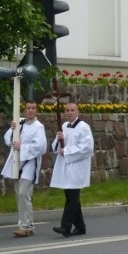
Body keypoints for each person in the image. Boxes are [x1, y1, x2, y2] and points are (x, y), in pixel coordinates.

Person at [1, 100, 47, 237]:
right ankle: (24, 224)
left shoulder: (39, 127)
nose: (30, 110)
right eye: (28, 108)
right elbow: (8, 139)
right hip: (17, 163)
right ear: (24, 110)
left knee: (23, 193)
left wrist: (23, 147)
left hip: (29, 165)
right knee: (19, 194)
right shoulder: (19, 122)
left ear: (36, 110)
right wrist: (13, 129)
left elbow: (41, 147)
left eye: (33, 108)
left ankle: (27, 225)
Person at [51, 102, 94, 237]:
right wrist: (58, 140)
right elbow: (56, 147)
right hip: (66, 166)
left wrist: (68, 151)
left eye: (72, 110)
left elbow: (87, 148)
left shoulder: (83, 127)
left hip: (77, 167)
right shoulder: (64, 126)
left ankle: (65, 226)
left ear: (77, 112)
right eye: (67, 110)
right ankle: (80, 227)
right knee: (71, 196)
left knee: (72, 197)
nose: (69, 112)